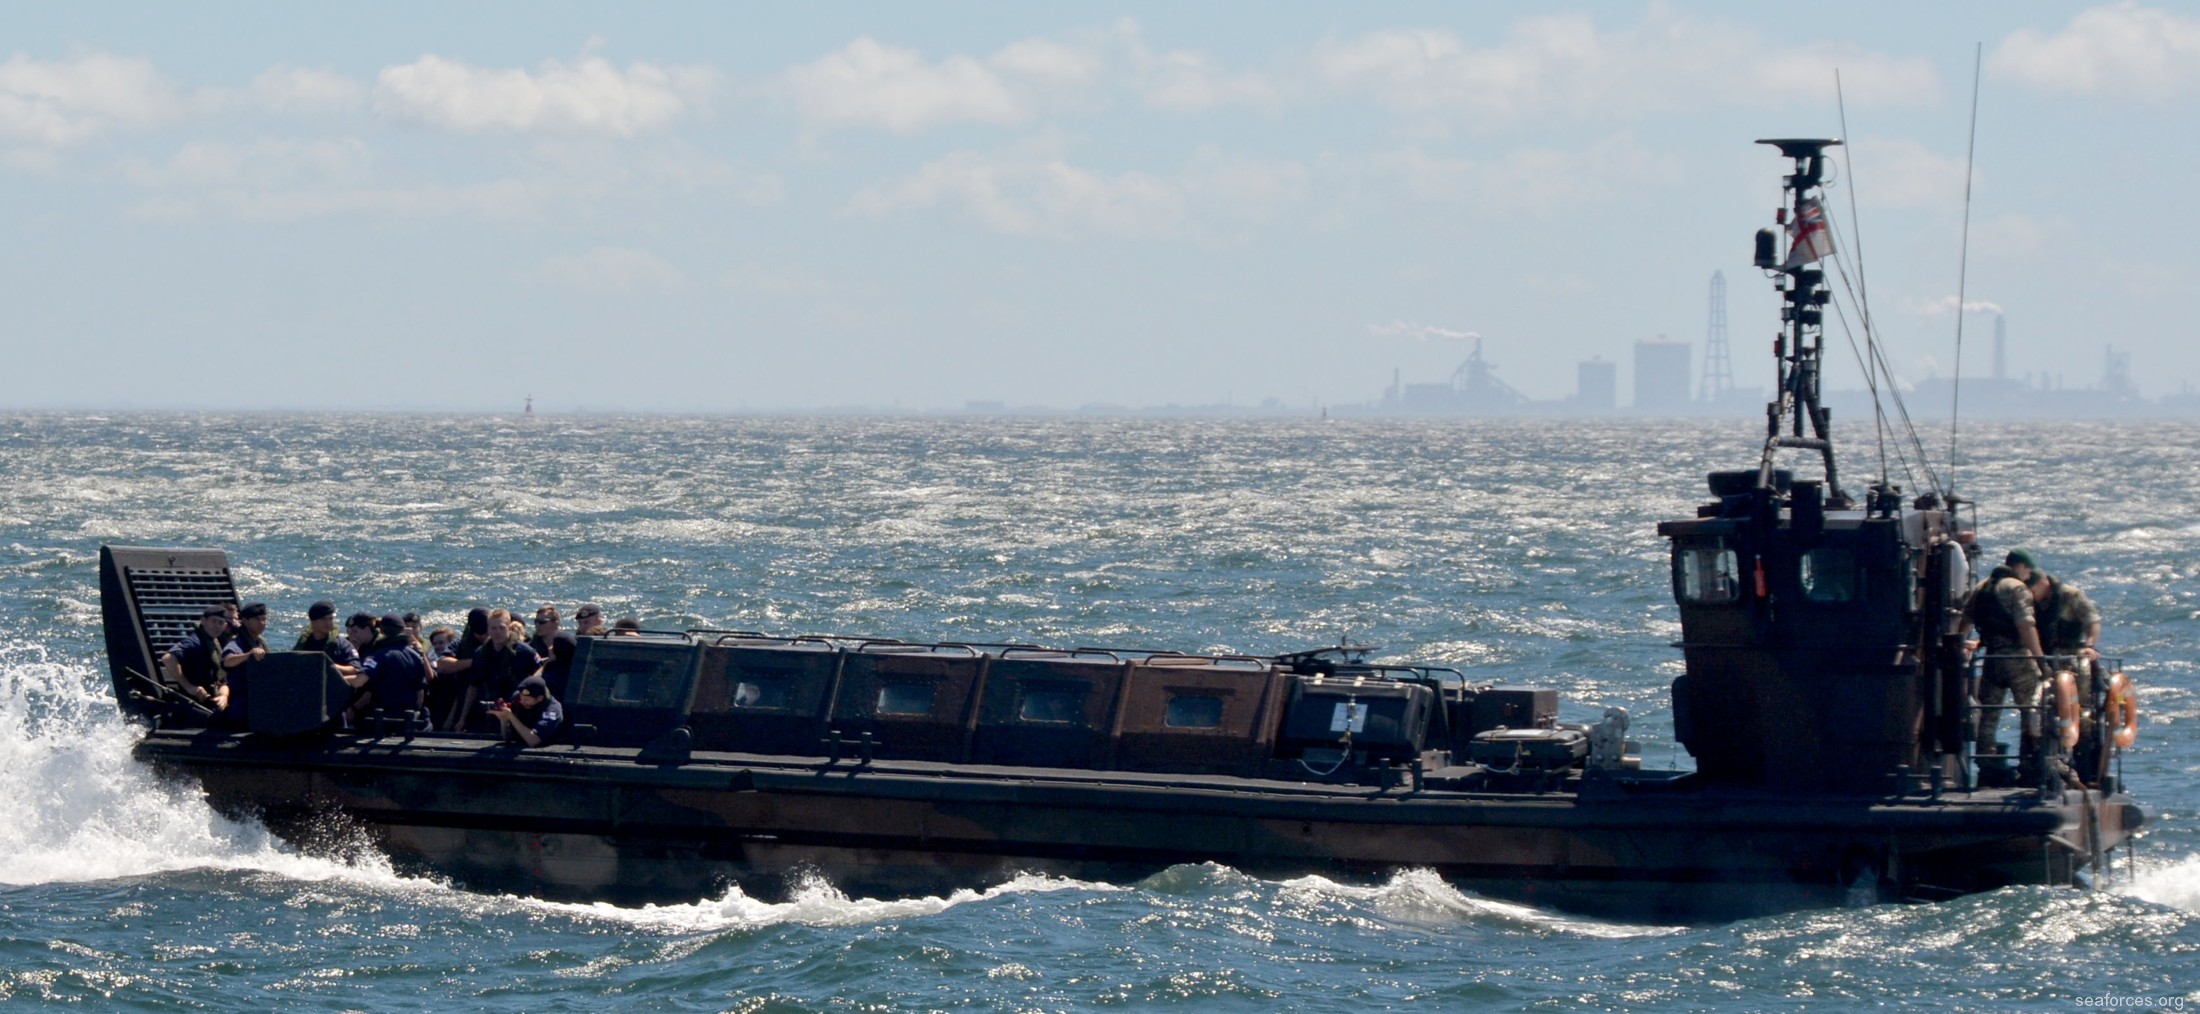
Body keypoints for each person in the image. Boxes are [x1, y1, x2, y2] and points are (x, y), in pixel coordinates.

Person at [1958, 561, 2051, 780]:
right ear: (2019, 568)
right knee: (2031, 708)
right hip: (2017, 657)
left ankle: (1986, 762)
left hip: (1992, 658)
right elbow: (2026, 627)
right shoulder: (2017, 588)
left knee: (1989, 713)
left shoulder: (1982, 587)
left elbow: (1966, 620)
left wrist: (1961, 643)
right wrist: (2041, 661)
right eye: (2027, 570)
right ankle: (2030, 762)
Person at [458, 609, 541, 732]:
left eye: (501, 628)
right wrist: (462, 719)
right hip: (490, 710)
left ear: (509, 627)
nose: (497, 632)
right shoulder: (481, 653)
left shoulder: (525, 653)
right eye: (493, 628)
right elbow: (473, 687)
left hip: (519, 712)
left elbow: (540, 679)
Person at [347, 614, 431, 724]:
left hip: (383, 719)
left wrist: (332, 676)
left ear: (382, 631)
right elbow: (420, 696)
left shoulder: (377, 656)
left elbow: (358, 681)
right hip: (409, 720)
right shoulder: (416, 656)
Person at [159, 604, 232, 712]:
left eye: (220, 623)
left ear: (225, 626)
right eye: (213, 621)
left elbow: (222, 679)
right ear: (203, 621)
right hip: (192, 705)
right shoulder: (195, 642)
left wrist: (223, 695)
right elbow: (168, 658)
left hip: (209, 701)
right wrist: (189, 687)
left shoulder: (214, 644)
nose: (217, 626)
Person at [432, 607, 492, 730]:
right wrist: (475, 662)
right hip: (465, 702)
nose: (482, 637)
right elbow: (442, 665)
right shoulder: (462, 644)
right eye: (478, 633)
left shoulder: (500, 644)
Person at [293, 600, 361, 679]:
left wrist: (330, 666)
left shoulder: (341, 645)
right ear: (313, 621)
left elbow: (355, 669)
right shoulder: (304, 644)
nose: (328, 623)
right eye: (324, 619)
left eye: (331, 619)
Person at [491, 674, 563, 747]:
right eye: (521, 698)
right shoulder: (517, 698)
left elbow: (534, 741)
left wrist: (511, 716)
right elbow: (508, 739)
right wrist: (504, 720)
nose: (522, 701)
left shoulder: (552, 710)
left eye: (527, 700)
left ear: (539, 698)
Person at [221, 602, 272, 674]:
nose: (261, 623)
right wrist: (249, 655)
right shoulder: (238, 642)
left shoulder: (259, 642)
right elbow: (227, 661)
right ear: (245, 621)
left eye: (264, 619)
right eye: (257, 619)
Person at [540, 631, 578, 700]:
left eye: (553, 645)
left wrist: (547, 663)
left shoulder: (550, 677)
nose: (550, 648)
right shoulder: (578, 671)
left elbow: (533, 684)